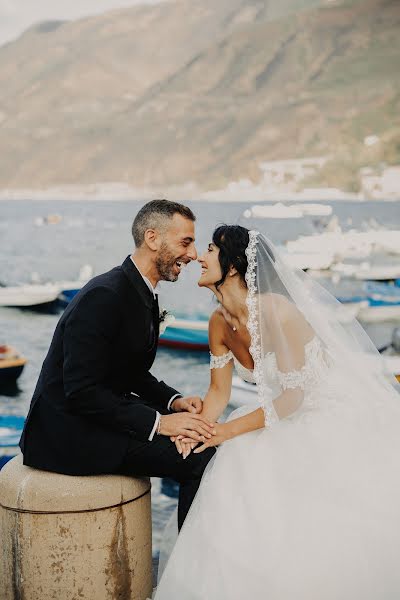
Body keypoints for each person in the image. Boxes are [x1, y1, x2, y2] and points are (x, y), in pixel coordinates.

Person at [154, 225, 400, 599]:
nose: (198, 259)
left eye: (208, 250)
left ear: (233, 266)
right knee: (234, 473)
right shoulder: (218, 322)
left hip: (322, 411)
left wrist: (226, 432)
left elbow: (293, 399)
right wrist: (199, 428)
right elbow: (219, 392)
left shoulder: (277, 311)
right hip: (275, 409)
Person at [19, 199, 216, 529]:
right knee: (200, 458)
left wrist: (173, 401)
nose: (193, 255)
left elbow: (129, 371)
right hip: (68, 433)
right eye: (186, 242)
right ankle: (192, 568)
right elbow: (81, 391)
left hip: (100, 416)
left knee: (202, 434)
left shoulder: (140, 291)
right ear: (152, 238)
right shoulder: (105, 295)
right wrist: (161, 423)